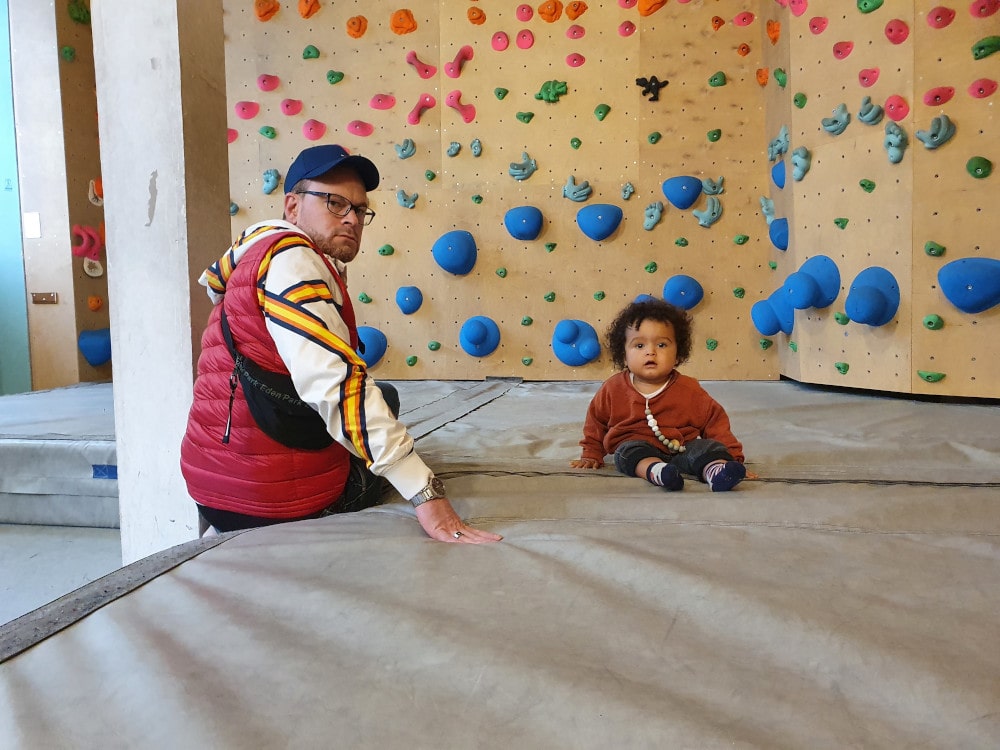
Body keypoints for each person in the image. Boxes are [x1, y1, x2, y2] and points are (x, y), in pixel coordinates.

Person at [181, 144, 501, 544]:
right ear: (293, 207)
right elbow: (337, 384)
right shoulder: (293, 262)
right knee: (381, 399)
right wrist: (426, 494)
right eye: (334, 203)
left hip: (211, 486)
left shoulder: (254, 253)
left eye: (359, 209)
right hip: (274, 506)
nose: (351, 218)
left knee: (383, 395)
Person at [571, 298, 752, 492]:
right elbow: (596, 422)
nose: (651, 352)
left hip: (683, 448)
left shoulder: (689, 389)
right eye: (639, 346)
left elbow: (714, 421)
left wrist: (733, 457)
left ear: (678, 353)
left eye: (662, 345)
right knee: (626, 453)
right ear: (623, 355)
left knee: (708, 448)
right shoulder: (613, 388)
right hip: (637, 448)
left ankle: (717, 472)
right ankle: (657, 472)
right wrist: (591, 453)